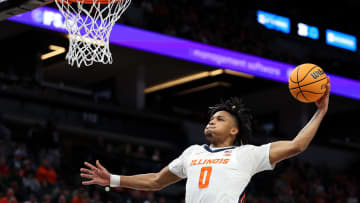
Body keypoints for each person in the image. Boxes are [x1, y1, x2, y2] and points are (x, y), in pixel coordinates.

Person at [80, 82, 330, 203]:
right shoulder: (192, 152)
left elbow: (297, 145)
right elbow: (157, 180)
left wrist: (320, 111)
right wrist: (112, 179)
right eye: (210, 119)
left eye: (219, 119)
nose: (211, 122)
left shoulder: (247, 154)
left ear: (233, 130)